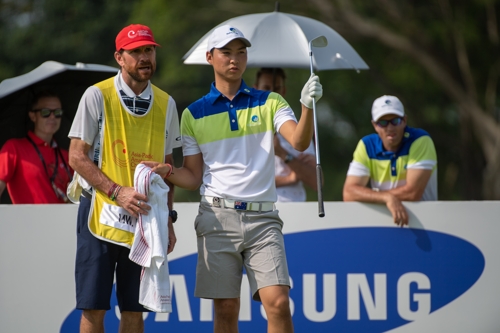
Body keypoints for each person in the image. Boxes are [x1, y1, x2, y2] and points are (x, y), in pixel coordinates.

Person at [144, 25, 322, 333]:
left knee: (278, 303)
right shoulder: (193, 114)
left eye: (241, 52)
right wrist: (168, 171)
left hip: (263, 218)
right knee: (226, 309)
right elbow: (194, 175)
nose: (234, 59)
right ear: (210, 57)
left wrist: (307, 106)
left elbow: (300, 142)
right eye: (226, 52)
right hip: (216, 217)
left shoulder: (270, 102)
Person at [67, 24, 181, 333]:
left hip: (145, 220)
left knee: (134, 311)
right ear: (120, 57)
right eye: (136, 52)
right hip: (101, 216)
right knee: (94, 309)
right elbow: (76, 156)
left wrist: (168, 219)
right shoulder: (97, 95)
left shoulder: (167, 103)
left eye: (149, 50)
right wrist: (117, 191)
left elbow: (168, 167)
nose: (145, 58)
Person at [343, 95, 438, 226]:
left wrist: (378, 196)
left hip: (425, 224)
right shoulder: (366, 145)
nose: (390, 128)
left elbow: (413, 193)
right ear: (374, 125)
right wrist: (386, 198)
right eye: (383, 122)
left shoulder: (420, 140)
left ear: (404, 120)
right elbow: (349, 193)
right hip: (382, 224)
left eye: (395, 121)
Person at [253, 67, 317, 202]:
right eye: (266, 88)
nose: (271, 93)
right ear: (255, 89)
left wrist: (283, 154)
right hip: (260, 210)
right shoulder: (245, 130)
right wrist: (290, 178)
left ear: (283, 91)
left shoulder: (297, 130)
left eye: (276, 88)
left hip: (296, 211)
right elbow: (245, 182)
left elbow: (317, 182)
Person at [0, 90, 73, 203]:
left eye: (57, 112)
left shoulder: (67, 156)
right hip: (27, 220)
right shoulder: (13, 148)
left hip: (63, 219)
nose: (52, 117)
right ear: (33, 116)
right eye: (46, 112)